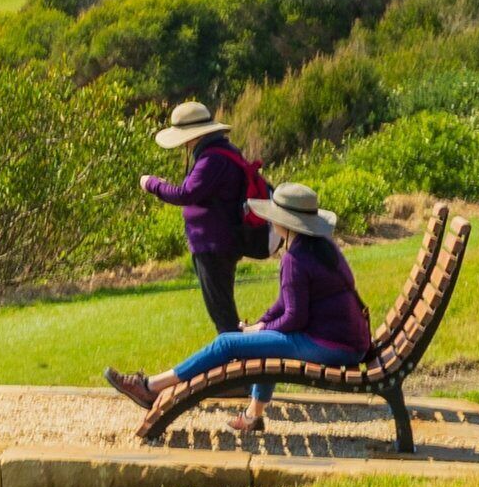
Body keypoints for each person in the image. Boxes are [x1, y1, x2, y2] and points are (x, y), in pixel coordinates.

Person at [103, 183, 373, 434]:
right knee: (261, 345)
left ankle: (151, 387)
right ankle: (253, 417)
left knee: (227, 345)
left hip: (334, 346)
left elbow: (294, 318)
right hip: (347, 341)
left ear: (284, 222)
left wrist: (260, 331)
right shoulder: (319, 247)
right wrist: (260, 325)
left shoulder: (296, 259)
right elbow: (285, 302)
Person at [138, 100, 261, 337]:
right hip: (221, 242)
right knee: (222, 311)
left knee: (223, 316)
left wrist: (152, 184)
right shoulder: (222, 151)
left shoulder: (211, 159)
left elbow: (186, 194)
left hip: (214, 245)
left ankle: (238, 364)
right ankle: (237, 363)